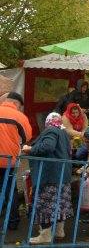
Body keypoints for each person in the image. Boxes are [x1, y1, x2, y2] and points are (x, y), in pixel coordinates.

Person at [22, 113, 72, 244]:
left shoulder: (51, 130)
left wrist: (30, 149)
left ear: (48, 122)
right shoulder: (64, 133)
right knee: (60, 204)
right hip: (62, 175)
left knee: (45, 205)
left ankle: (45, 236)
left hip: (50, 175)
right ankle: (59, 232)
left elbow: (47, 146)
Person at [0, 92, 33, 230]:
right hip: (8, 161)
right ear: (16, 103)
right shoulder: (20, 117)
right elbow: (27, 137)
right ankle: (12, 222)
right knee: (10, 190)